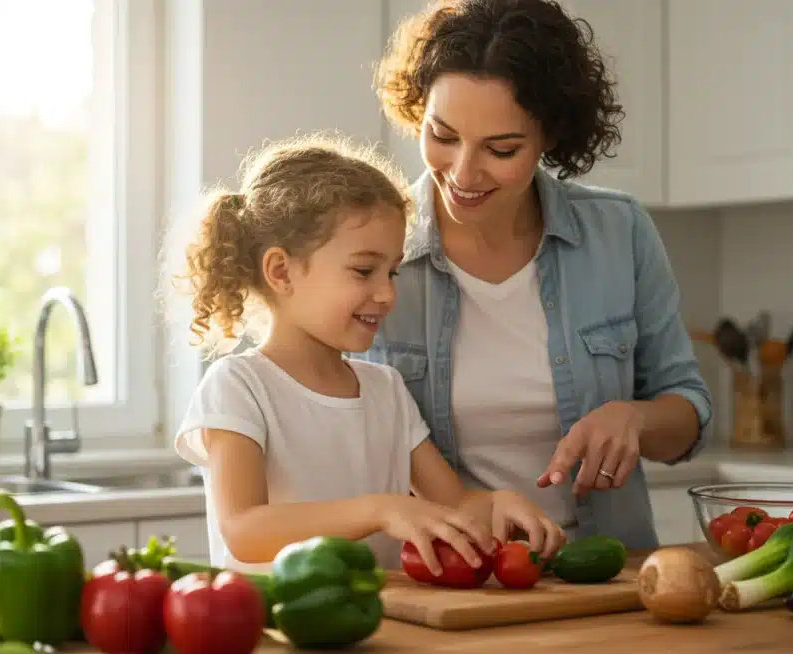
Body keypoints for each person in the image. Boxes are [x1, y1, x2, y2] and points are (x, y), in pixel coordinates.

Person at [361, 0, 715, 550]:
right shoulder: (372, 250)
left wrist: (634, 419)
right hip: (441, 580)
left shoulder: (618, 232)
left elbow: (686, 413)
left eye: (501, 149)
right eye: (443, 135)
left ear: (550, 135)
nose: (463, 172)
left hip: (601, 574)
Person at [166, 133, 566, 576]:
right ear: (281, 271)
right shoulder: (239, 387)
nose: (387, 293)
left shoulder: (386, 388)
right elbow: (244, 529)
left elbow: (452, 503)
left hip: (376, 625)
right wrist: (379, 510)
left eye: (392, 271)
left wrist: (495, 504)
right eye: (363, 270)